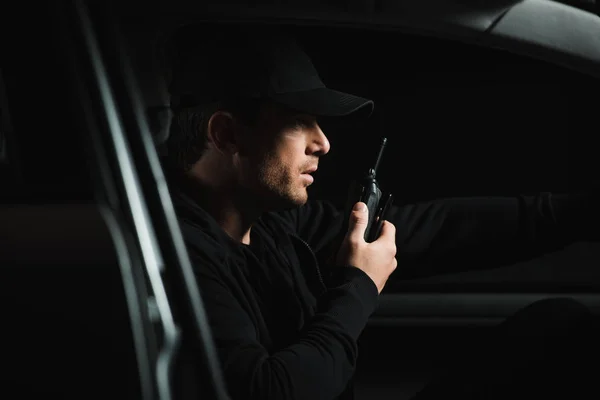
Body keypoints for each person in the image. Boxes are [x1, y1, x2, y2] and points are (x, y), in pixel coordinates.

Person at [162, 27, 600, 400]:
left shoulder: (274, 226)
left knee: (559, 328)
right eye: (299, 122)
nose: (323, 143)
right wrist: (359, 286)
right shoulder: (181, 257)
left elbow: (438, 229)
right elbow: (272, 390)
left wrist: (581, 214)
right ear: (225, 135)